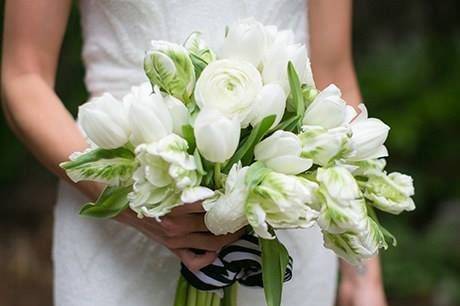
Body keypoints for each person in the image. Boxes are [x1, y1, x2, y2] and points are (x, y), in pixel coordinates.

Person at [1, 0, 388, 305]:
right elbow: (23, 74)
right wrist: (127, 201)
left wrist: (363, 272)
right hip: (115, 216)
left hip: (286, 214)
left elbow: (333, 73)